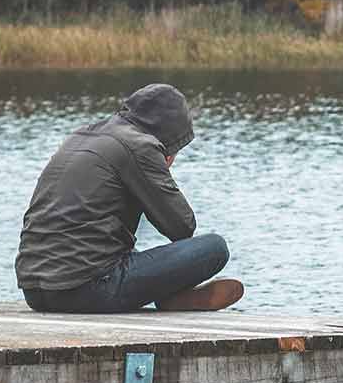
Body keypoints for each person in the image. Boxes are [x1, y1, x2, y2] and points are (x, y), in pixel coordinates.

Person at [16, 83, 243, 313]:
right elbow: (182, 227)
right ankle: (170, 296)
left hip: (34, 291)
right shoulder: (140, 146)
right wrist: (158, 173)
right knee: (214, 247)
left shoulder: (79, 136)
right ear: (171, 138)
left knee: (127, 255)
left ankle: (171, 296)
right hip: (87, 289)